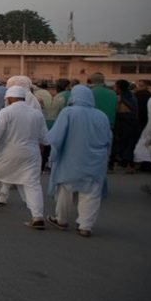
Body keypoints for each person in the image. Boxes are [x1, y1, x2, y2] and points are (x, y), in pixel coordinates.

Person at [0, 86, 49, 229]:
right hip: (31, 154)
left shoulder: (6, 112)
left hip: (8, 152)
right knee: (33, 184)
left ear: (10, 98)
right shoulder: (37, 114)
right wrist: (40, 153)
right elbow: (45, 139)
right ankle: (37, 217)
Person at [46, 85, 112, 237]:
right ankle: (85, 226)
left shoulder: (68, 112)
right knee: (92, 194)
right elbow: (108, 139)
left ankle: (61, 220)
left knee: (65, 191)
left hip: (71, 160)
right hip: (96, 162)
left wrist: (53, 155)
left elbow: (55, 138)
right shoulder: (101, 115)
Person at [110, 79, 140, 173]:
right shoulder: (133, 96)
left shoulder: (120, 98)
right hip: (134, 123)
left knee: (118, 145)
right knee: (130, 145)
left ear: (119, 87)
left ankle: (112, 166)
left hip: (123, 124)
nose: (114, 88)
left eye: (115, 86)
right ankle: (130, 166)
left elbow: (118, 111)